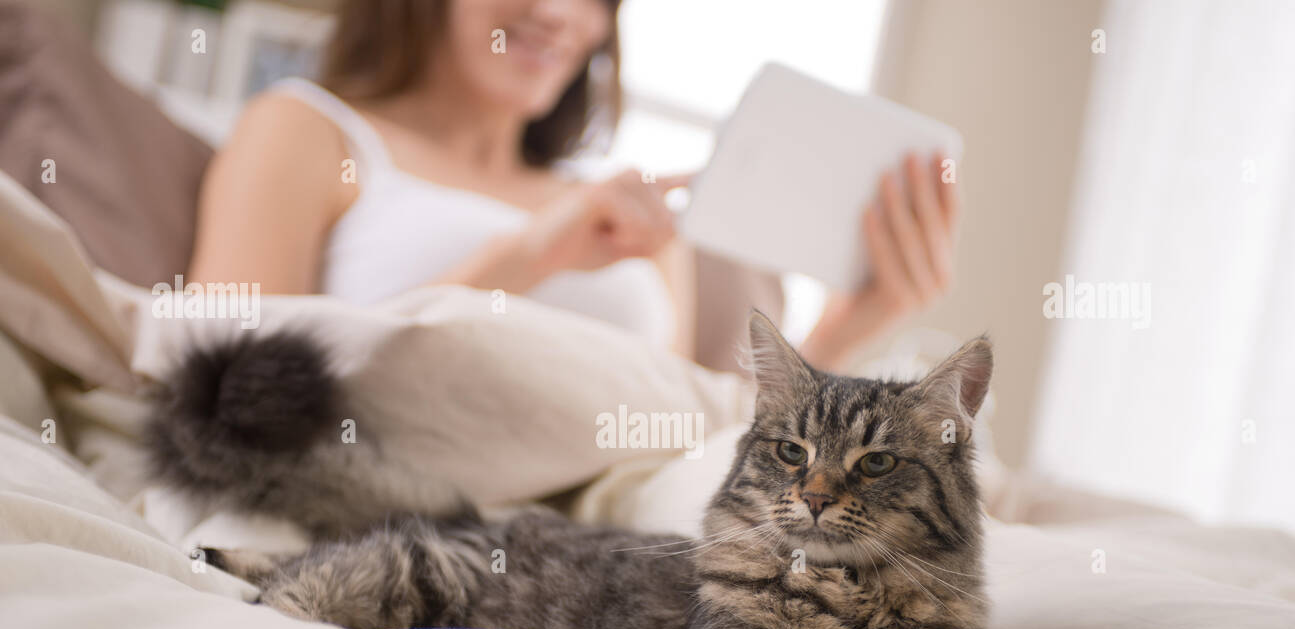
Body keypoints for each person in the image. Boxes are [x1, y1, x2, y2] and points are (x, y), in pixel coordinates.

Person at [188, 0, 960, 370]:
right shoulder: (307, 129)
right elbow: (224, 388)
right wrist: (523, 259)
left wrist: (840, 335)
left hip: (608, 563)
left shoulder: (628, 217)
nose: (560, 14)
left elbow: (708, 454)